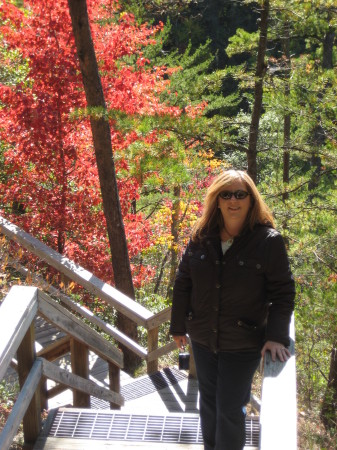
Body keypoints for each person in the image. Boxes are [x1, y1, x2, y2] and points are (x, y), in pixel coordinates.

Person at [170, 169, 295, 450]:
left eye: (240, 194)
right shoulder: (201, 235)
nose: (233, 201)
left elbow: (283, 292)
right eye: (226, 194)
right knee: (209, 405)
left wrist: (276, 336)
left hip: (242, 343)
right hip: (203, 339)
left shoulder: (268, 241)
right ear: (216, 200)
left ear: (251, 199)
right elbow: (183, 281)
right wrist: (178, 325)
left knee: (229, 409)